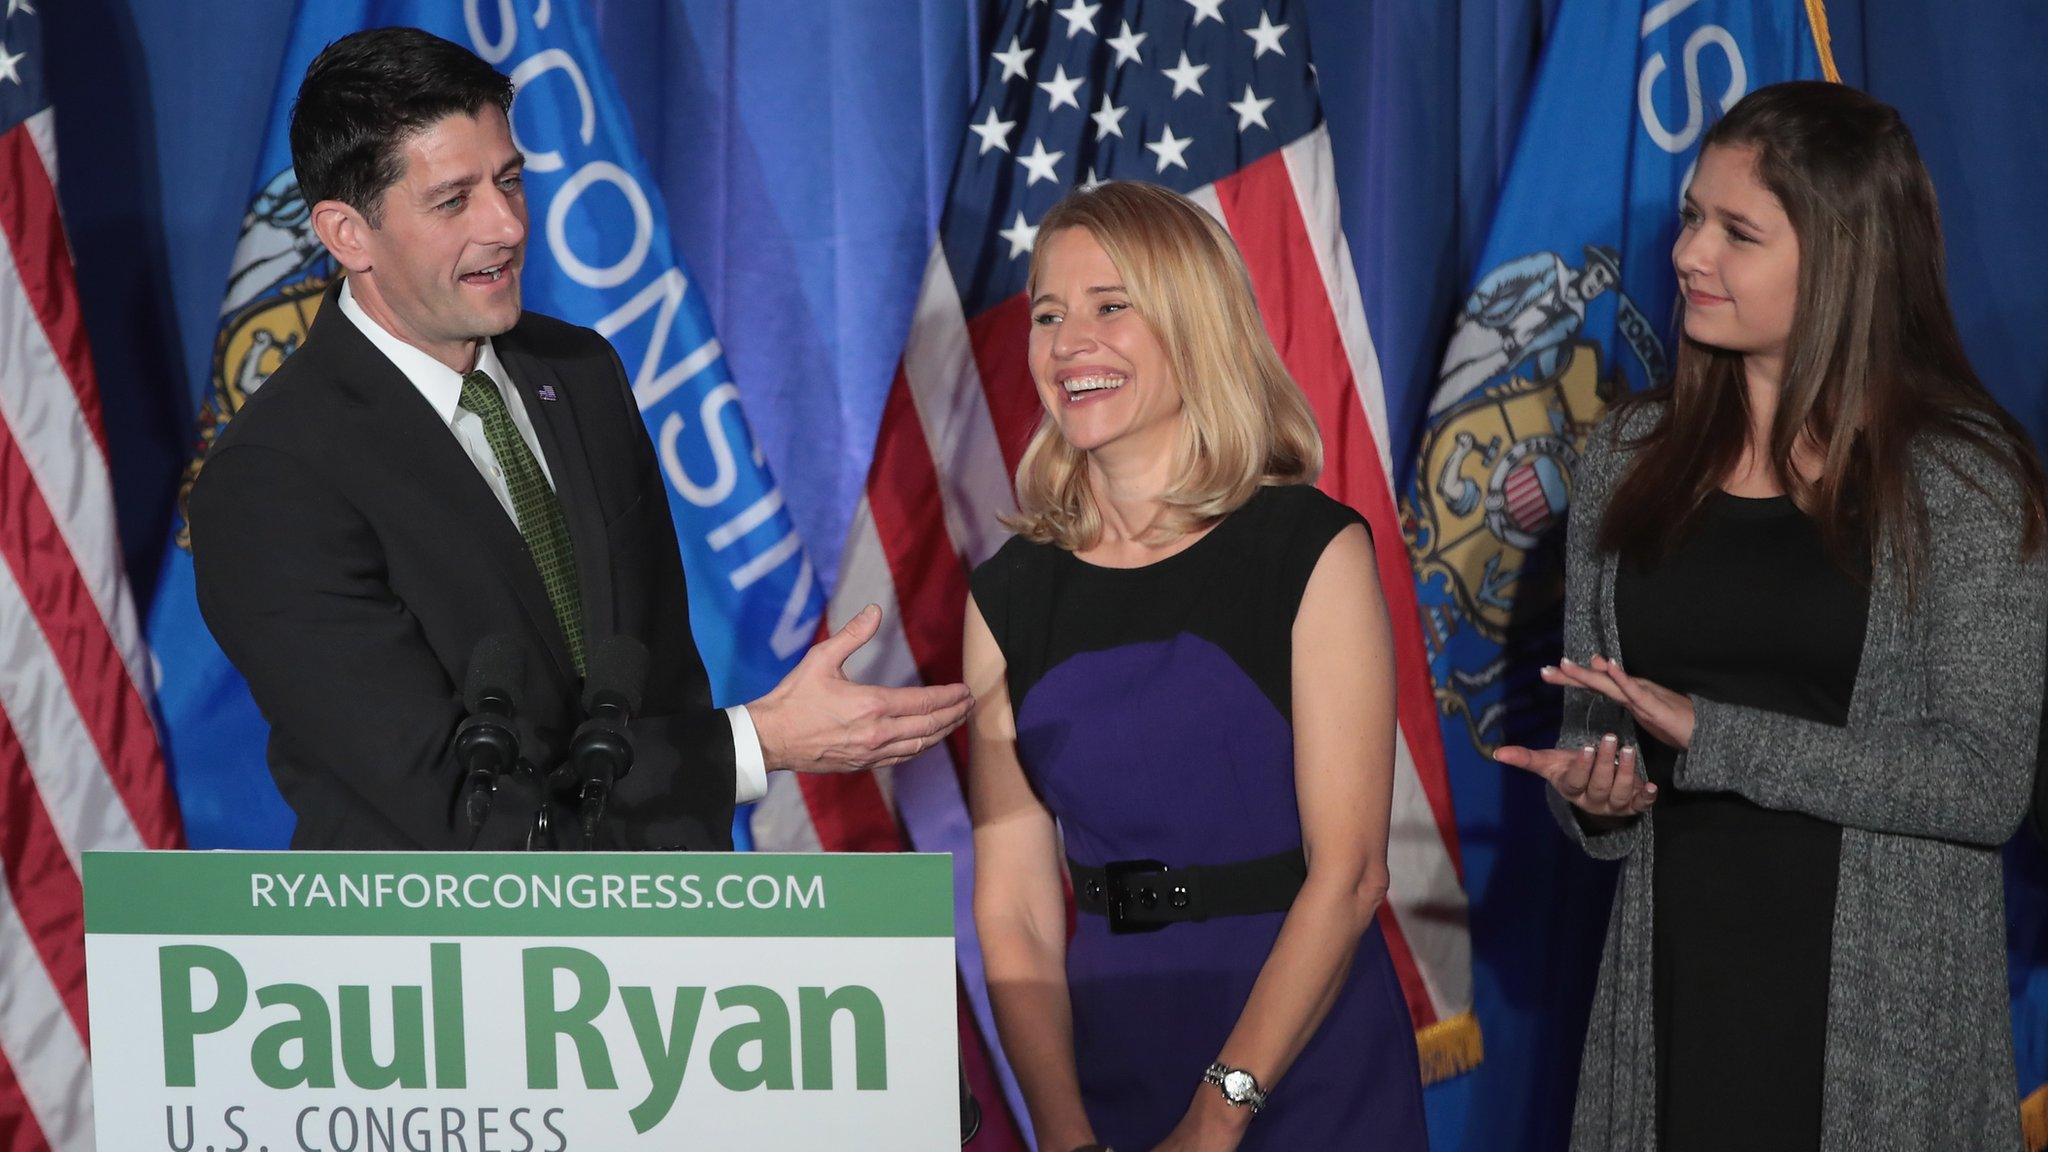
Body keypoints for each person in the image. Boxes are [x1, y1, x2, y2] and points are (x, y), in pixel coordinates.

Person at [187, 27, 970, 851]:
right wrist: (756, 743)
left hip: (655, 937)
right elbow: (456, 796)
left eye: (511, 180)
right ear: (348, 234)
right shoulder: (273, 477)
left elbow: (659, 680)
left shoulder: (581, 371)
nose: (507, 225)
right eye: (454, 200)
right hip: (429, 958)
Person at [1493, 81, 2048, 1151]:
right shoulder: (1620, 459)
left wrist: (1713, 736)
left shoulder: (1962, 480)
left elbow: (1984, 783)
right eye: (1692, 217)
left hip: (1883, 1025)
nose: (1689, 254)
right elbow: (1604, 735)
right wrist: (1598, 797)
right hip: (1671, 992)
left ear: (1843, 258)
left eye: (1734, 232)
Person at [964, 181, 1428, 1152]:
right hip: (1106, 1064)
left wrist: (1218, 1116)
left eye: (1108, 306)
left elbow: (1347, 875)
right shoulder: (1003, 597)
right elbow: (1010, 907)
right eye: (1047, 314)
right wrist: (1064, 1134)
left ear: (1192, 321)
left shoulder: (1307, 549)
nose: (1067, 341)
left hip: (1305, 1064)